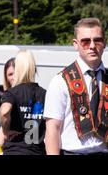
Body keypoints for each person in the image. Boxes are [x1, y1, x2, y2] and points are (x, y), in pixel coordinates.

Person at [44, 18, 108, 155]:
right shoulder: (60, 81)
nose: (92, 46)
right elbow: (52, 129)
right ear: (75, 44)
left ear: (104, 42)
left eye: (97, 40)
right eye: (85, 41)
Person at [0, 50, 46, 155]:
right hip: (37, 151)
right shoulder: (44, 94)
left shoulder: (12, 93)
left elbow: (4, 111)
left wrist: (6, 131)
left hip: (15, 150)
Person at [0, 58, 15, 154]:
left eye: (15, 73)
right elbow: (3, 125)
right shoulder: (6, 95)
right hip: (10, 146)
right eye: (10, 74)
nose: (13, 77)